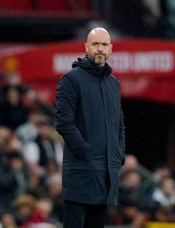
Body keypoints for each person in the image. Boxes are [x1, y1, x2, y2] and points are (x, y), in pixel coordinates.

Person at [55, 27, 125, 228]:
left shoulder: (114, 84)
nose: (100, 49)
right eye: (95, 44)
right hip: (80, 171)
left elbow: (119, 124)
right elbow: (63, 122)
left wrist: (119, 155)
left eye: (104, 45)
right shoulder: (71, 79)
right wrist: (85, 152)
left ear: (110, 49)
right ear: (86, 47)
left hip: (105, 174)